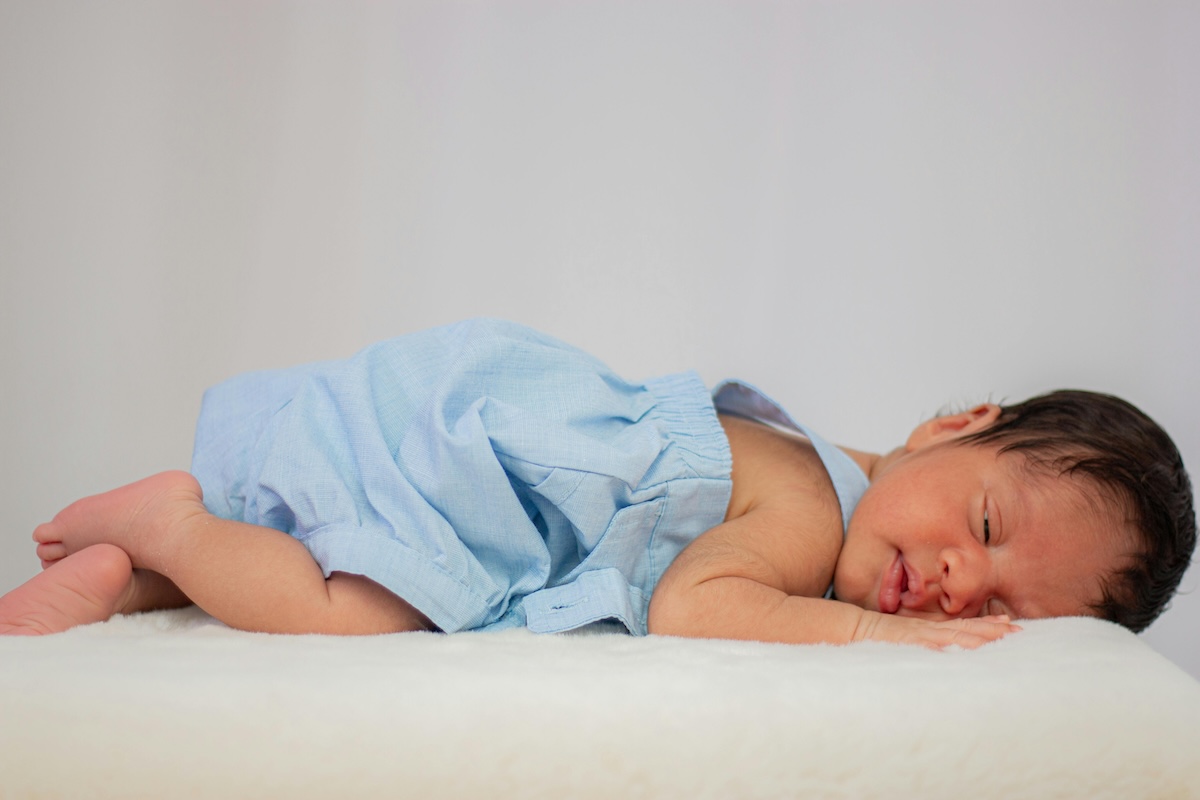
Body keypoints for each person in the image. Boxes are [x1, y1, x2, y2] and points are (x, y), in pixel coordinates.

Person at [1, 319, 1194, 648]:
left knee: (302, 557)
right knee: (351, 606)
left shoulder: (819, 462)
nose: (953, 583)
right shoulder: (802, 511)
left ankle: (127, 582)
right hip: (455, 469)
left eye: (997, 607)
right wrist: (879, 645)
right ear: (951, 426)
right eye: (985, 524)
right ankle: (171, 519)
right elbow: (697, 605)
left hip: (449, 419)